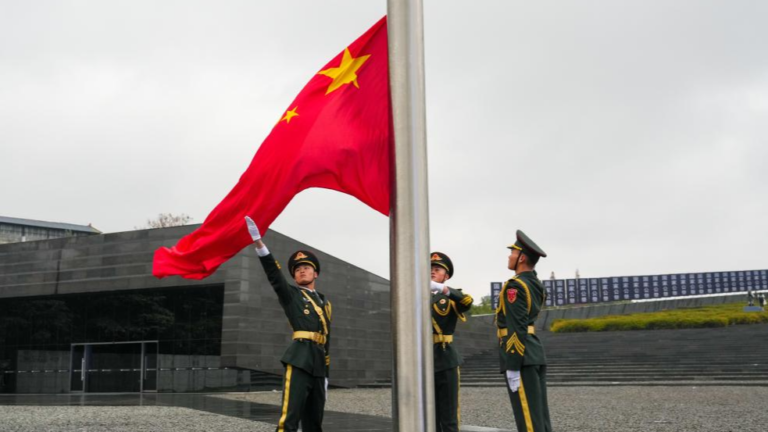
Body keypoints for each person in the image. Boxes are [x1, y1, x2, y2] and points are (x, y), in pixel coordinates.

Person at [245, 216, 331, 432]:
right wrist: (259, 244)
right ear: (294, 276)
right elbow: (274, 276)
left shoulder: (325, 302)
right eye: (297, 269)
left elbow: (327, 338)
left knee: (314, 422)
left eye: (306, 268)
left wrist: (327, 373)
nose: (302, 270)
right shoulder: (291, 295)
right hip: (300, 358)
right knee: (289, 419)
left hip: (319, 364)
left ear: (315, 273)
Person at [496, 230, 552, 432]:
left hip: (522, 357)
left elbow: (517, 326)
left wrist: (512, 364)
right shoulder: (536, 284)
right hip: (533, 352)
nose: (509, 257)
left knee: (528, 419)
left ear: (522, 258)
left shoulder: (515, 286)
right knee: (540, 417)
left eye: (512, 253)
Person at [429, 252, 474, 432]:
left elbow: (467, 301)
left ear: (445, 276)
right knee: (429, 415)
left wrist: (443, 289)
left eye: (437, 269)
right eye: (430, 269)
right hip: (423, 361)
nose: (432, 272)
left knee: (448, 417)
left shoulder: (450, 297)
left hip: (445, 358)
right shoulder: (415, 296)